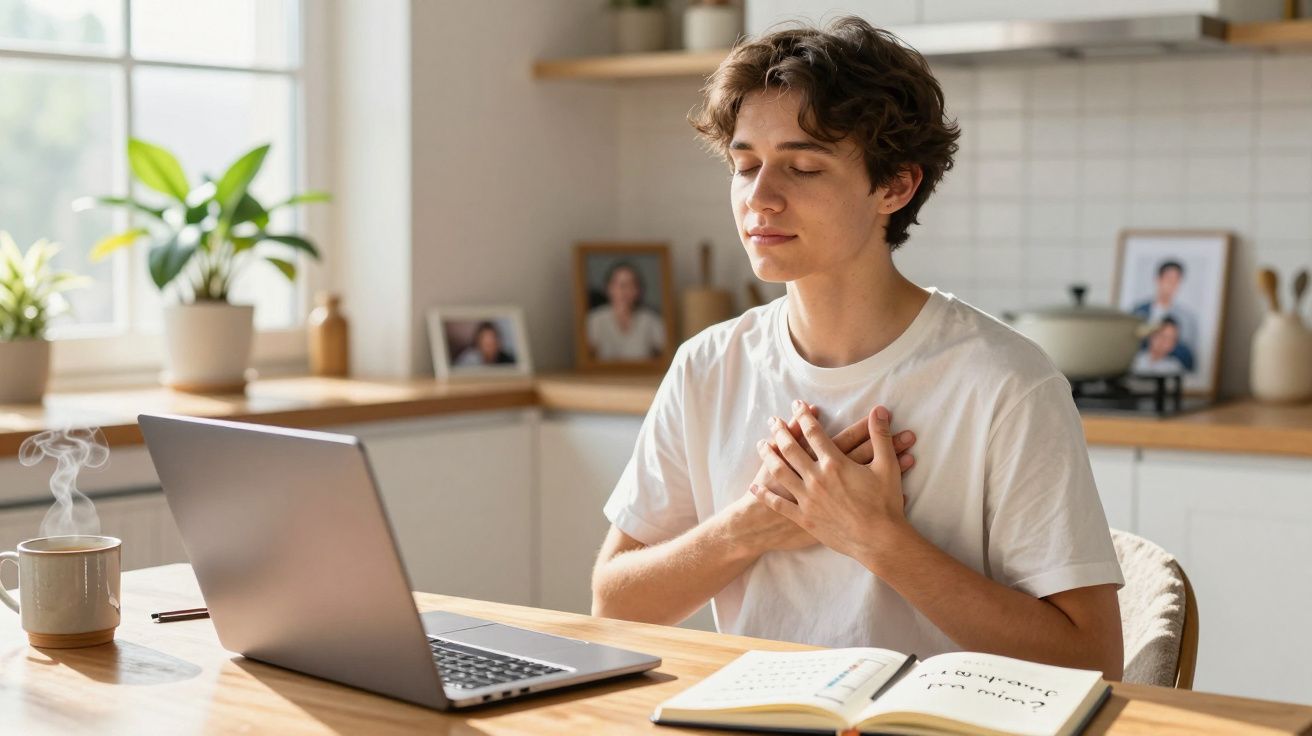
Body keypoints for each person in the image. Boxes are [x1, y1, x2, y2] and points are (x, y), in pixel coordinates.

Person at [591, 17, 1125, 679]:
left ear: (895, 186)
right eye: (746, 165)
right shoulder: (707, 366)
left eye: (803, 166)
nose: (760, 197)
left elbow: (1092, 660)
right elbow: (613, 605)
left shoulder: (1005, 382)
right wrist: (752, 525)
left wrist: (876, 538)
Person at [586, 261, 665, 361]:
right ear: (609, 288)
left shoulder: (650, 320)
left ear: (638, 290)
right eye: (620, 285)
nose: (624, 291)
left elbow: (666, 353)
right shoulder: (594, 320)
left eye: (630, 285)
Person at [1132, 260, 1199, 370]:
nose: (1171, 285)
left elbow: (1189, 354)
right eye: (1168, 279)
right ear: (1158, 279)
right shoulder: (1139, 310)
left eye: (1176, 281)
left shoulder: (1187, 318)